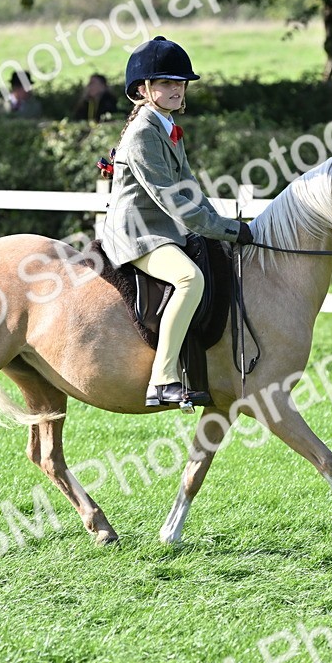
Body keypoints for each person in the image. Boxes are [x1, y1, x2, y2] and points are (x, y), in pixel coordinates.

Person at [101, 36, 253, 408]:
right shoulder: (141, 136)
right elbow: (178, 206)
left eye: (180, 83)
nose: (176, 89)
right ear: (143, 89)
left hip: (163, 231)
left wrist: (223, 224)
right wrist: (231, 231)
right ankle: (163, 378)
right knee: (189, 278)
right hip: (137, 234)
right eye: (167, 83)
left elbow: (191, 192)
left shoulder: (167, 127)